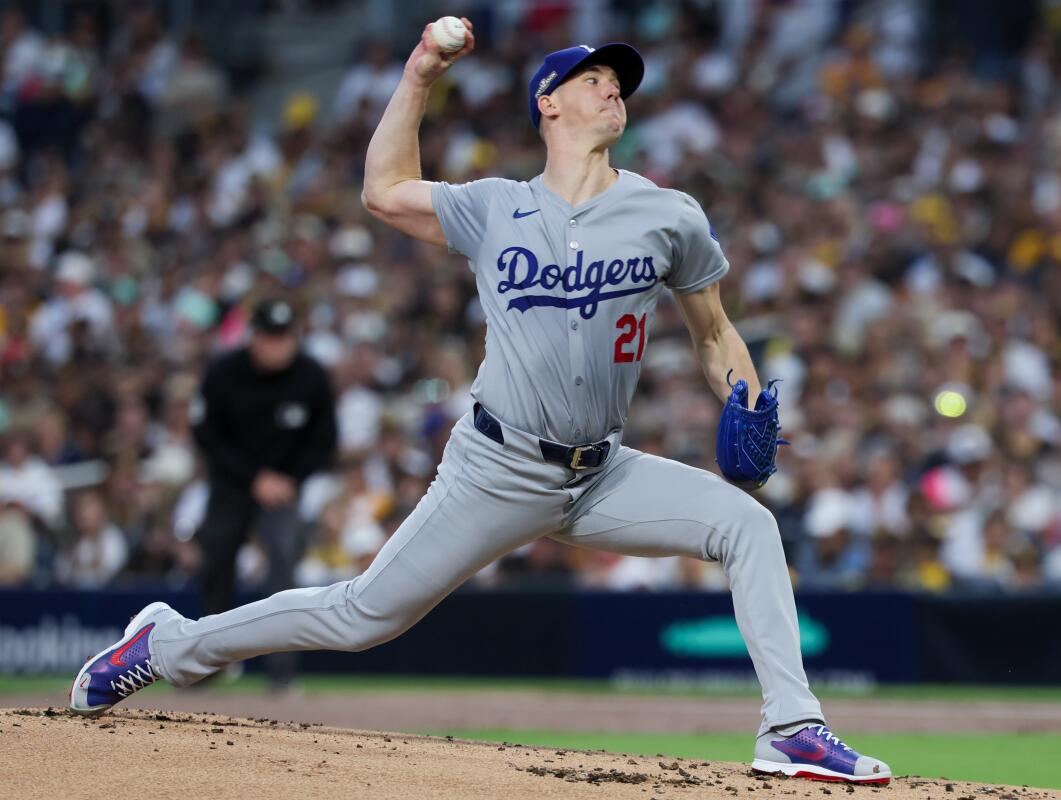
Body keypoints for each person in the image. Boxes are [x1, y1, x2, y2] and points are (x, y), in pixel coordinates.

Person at [68, 20, 890, 786]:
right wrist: (422, 72)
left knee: (747, 525)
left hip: (600, 474)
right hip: (496, 467)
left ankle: (790, 728)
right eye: (595, 78)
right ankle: (166, 643)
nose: (614, 92)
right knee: (362, 617)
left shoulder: (668, 214)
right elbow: (383, 191)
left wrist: (740, 389)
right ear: (549, 101)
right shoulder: (496, 207)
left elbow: (715, 333)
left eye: (620, 83)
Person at [186, 297, 338, 689]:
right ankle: (208, 667)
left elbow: (324, 440)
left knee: (283, 569)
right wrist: (255, 478)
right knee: (215, 562)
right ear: (253, 337)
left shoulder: (311, 376)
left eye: (285, 337)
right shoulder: (224, 372)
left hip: (285, 488)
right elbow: (207, 435)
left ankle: (282, 675)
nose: (278, 345)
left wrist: (290, 479)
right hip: (233, 485)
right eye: (270, 336)